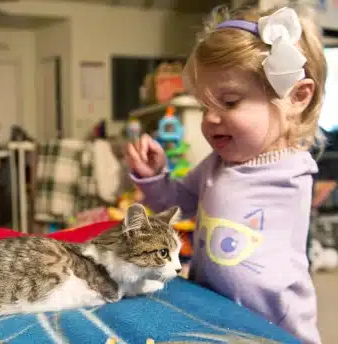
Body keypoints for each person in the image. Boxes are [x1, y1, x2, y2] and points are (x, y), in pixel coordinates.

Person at [127, 4, 325, 344]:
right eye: (206, 106)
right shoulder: (215, 165)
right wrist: (155, 177)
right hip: (214, 314)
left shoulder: (295, 169)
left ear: (296, 97)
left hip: (273, 326)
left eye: (230, 102)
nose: (211, 119)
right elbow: (174, 205)